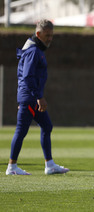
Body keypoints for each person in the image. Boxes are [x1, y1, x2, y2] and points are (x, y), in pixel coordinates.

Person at [6, 19, 69, 175]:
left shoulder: (36, 49)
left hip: (32, 97)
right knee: (21, 131)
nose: (50, 39)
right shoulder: (33, 51)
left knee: (47, 126)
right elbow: (28, 77)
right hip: (30, 98)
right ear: (38, 34)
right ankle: (12, 167)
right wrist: (39, 96)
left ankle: (49, 165)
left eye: (52, 36)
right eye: (47, 35)